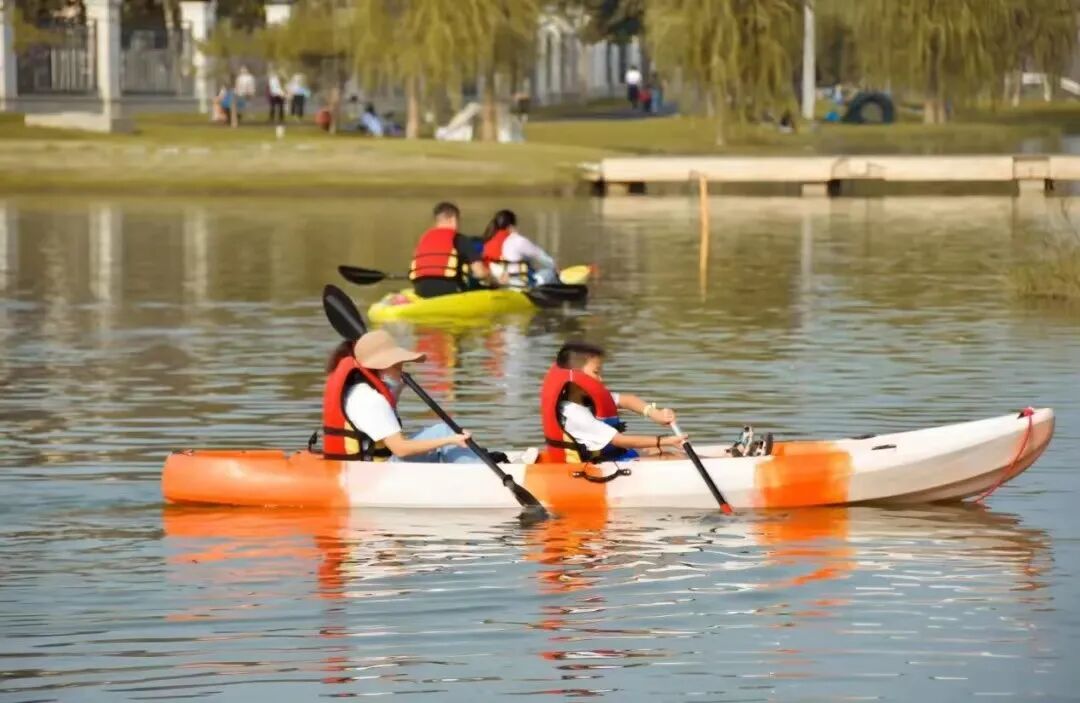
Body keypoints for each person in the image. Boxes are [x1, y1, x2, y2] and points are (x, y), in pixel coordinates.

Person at [321, 331, 479, 463]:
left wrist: (397, 388)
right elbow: (400, 449)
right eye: (397, 365)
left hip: (366, 464)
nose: (402, 369)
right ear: (380, 366)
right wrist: (450, 440)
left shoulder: (359, 390)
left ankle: (473, 466)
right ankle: (481, 477)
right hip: (375, 474)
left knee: (440, 433)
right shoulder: (372, 400)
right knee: (443, 432)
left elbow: (380, 420)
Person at [539, 342, 687, 464]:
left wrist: (654, 413)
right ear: (575, 377)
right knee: (673, 457)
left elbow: (626, 400)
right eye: (596, 372)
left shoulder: (583, 398)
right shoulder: (576, 414)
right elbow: (619, 440)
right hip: (593, 466)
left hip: (608, 454)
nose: (601, 379)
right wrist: (665, 440)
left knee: (662, 451)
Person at [409, 202, 490, 299]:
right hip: (449, 292)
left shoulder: (423, 239)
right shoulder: (459, 239)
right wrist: (492, 277)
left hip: (420, 290)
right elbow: (480, 273)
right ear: (454, 219)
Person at [481, 209, 558, 288]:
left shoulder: (488, 239)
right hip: (515, 283)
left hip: (494, 280)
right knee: (550, 272)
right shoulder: (517, 239)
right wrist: (556, 268)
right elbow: (541, 256)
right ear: (511, 226)